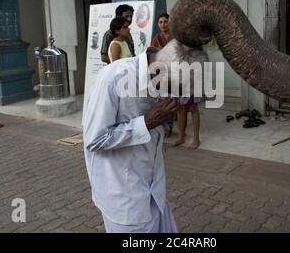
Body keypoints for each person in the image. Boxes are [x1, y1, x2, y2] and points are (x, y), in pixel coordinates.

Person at [83, 41, 209, 233]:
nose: (178, 96)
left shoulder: (162, 83)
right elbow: (95, 139)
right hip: (124, 200)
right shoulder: (113, 78)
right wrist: (147, 122)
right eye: (179, 87)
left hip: (154, 191)